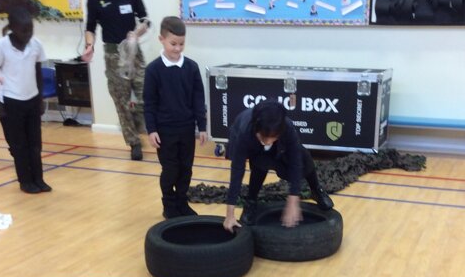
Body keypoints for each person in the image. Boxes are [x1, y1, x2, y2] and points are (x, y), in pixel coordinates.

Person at [223, 100, 333, 233]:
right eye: (264, 137)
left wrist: (293, 199)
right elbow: (237, 172)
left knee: (304, 156)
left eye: (272, 137)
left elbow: (296, 162)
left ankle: (316, 190)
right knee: (259, 165)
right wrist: (229, 215)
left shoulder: (287, 127)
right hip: (251, 143)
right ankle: (251, 201)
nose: (268, 142)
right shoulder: (244, 133)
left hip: (280, 144)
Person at [83, 0, 150, 160]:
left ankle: (137, 124)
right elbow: (90, 28)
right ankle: (134, 143)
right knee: (121, 101)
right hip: (113, 55)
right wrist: (89, 45)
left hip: (133, 52)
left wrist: (136, 33)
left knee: (147, 95)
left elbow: (145, 20)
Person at [143, 17, 207, 219]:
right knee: (170, 169)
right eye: (173, 44)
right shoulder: (153, 70)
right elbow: (149, 102)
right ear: (161, 39)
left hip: (186, 128)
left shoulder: (192, 67)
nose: (177, 48)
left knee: (186, 169)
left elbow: (198, 100)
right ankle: (169, 204)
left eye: (181, 44)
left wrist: (202, 126)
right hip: (165, 130)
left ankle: (182, 202)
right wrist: (151, 129)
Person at [0, 6, 51, 194]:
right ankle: (25, 181)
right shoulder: (0, 46)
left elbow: (38, 73)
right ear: (13, 28)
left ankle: (39, 179)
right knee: (19, 144)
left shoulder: (36, 45)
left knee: (35, 144)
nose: (28, 34)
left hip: (32, 99)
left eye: (31, 30)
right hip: (12, 101)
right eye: (24, 31)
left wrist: (40, 98)